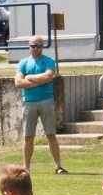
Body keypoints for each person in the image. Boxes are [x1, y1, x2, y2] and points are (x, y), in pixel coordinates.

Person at [14, 35, 67, 174]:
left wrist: (29, 78)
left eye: (39, 46)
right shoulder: (23, 63)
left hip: (46, 101)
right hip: (29, 102)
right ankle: (26, 168)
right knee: (28, 137)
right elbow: (18, 83)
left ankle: (58, 166)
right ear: (29, 46)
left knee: (51, 134)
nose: (36, 48)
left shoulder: (49, 61)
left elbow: (47, 77)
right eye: (33, 45)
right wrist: (39, 80)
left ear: (43, 46)